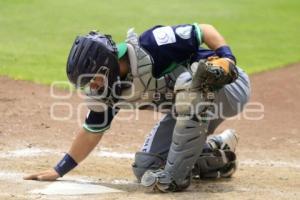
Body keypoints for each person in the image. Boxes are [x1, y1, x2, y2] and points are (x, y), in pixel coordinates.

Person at [23, 23, 250, 192]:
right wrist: (60, 169)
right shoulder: (111, 88)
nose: (92, 86)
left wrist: (227, 57)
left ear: (107, 65)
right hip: (192, 111)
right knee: (147, 168)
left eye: (93, 79)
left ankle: (175, 178)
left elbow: (203, 30)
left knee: (189, 87)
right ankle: (218, 153)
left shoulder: (152, 46)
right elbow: (92, 130)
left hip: (229, 89)